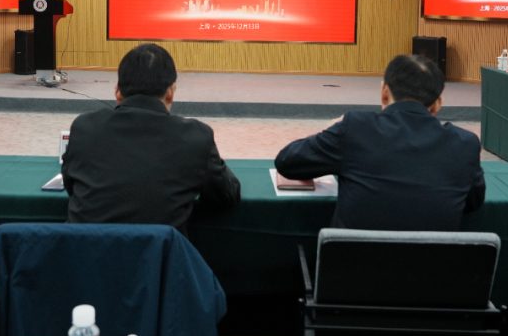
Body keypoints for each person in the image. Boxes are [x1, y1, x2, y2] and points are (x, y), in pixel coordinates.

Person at [275, 54, 485, 231]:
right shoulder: (465, 143)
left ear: (384, 92)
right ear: (437, 104)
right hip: (432, 268)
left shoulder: (356, 128)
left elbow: (287, 162)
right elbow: (472, 203)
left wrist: (331, 131)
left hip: (352, 267)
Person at [62, 43, 241, 234]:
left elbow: (71, 187)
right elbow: (227, 195)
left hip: (84, 251)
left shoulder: (84, 127)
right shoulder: (196, 137)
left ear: (118, 92)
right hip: (159, 253)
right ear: (170, 93)